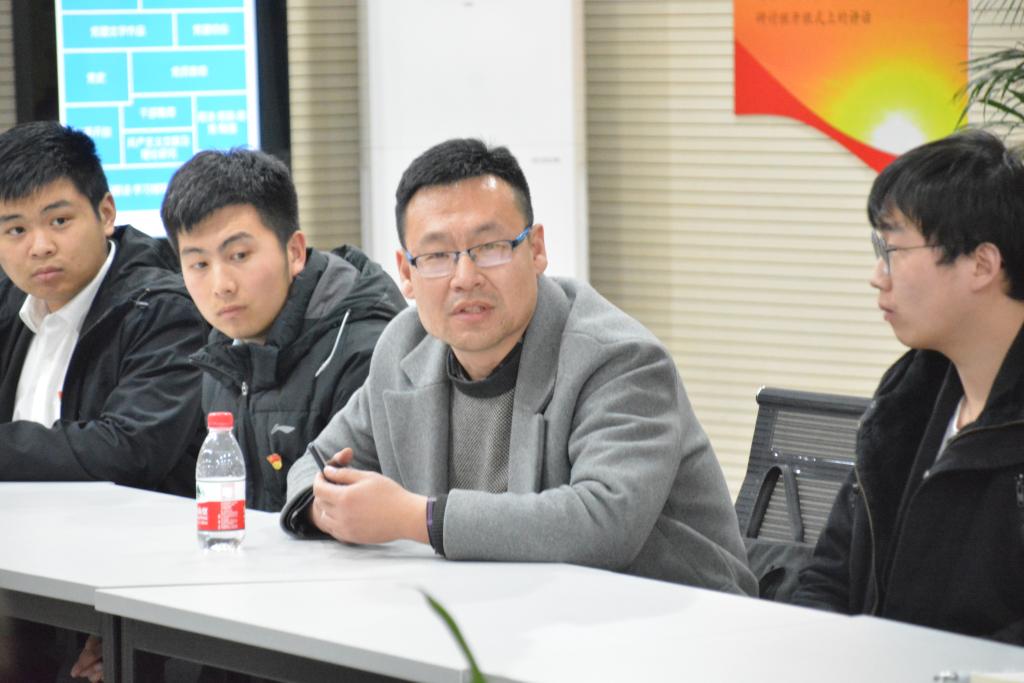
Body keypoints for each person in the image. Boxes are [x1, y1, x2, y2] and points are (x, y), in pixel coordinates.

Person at [279, 138, 756, 595]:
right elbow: (315, 465)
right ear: (406, 273)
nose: (465, 277)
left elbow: (603, 524)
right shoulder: (405, 346)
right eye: (438, 256)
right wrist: (328, 508)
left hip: (672, 619)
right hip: (503, 614)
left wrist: (415, 518)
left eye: (490, 247)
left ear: (536, 249)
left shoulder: (620, 359)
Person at [793, 129, 1024, 644]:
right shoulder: (909, 396)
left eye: (893, 248)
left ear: (982, 265)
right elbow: (828, 576)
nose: (878, 276)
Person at [0, 121, 207, 681]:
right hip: (29, 577)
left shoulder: (164, 307)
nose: (39, 245)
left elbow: (127, 448)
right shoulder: (12, 302)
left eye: (59, 221)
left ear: (106, 213)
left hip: (135, 590)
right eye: (15, 229)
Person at [160, 148, 406, 512]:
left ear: (294, 252)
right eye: (199, 264)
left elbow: (355, 516)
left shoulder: (361, 352)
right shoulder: (222, 355)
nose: (221, 285)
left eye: (239, 255)